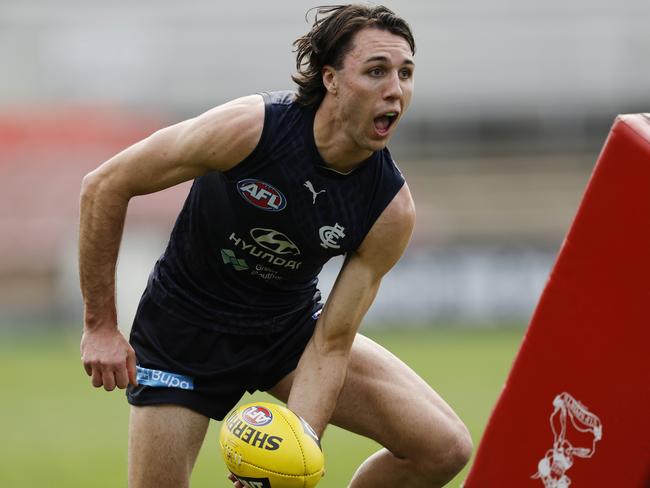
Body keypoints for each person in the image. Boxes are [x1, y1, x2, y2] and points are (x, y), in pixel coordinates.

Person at [78, 4, 472, 487]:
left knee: (444, 448)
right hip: (183, 331)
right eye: (376, 71)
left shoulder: (390, 208)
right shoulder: (249, 128)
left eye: (406, 73)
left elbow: (332, 341)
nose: (395, 89)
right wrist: (100, 324)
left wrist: (292, 451)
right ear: (330, 79)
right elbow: (104, 186)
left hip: (288, 333)